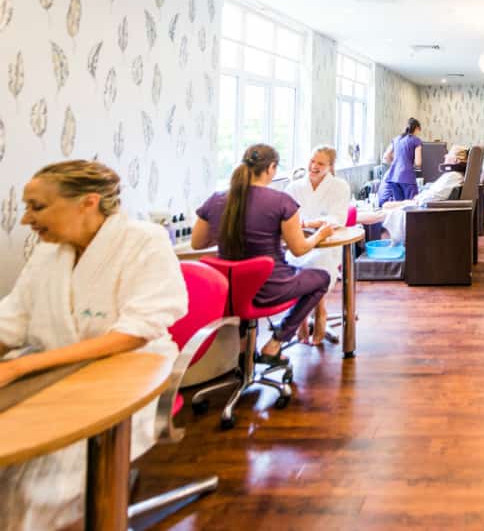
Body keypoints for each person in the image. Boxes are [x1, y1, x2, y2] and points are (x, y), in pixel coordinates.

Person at [0, 160, 187, 531]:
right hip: (51, 373)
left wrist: (20, 367)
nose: (26, 221)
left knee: (39, 490)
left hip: (129, 376)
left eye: (38, 207)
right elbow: (12, 320)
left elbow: (134, 332)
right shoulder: (47, 253)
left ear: (88, 202)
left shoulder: (144, 241)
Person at [192, 144, 334, 362]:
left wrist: (228, 229)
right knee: (321, 278)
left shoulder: (215, 200)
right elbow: (299, 248)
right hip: (270, 289)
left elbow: (197, 243)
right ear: (271, 168)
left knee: (253, 277)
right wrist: (320, 235)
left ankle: (242, 351)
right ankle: (277, 340)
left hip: (228, 290)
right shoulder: (281, 203)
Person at [285, 145, 351, 345]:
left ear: (330, 167)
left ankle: (318, 310)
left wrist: (308, 224)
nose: (314, 166)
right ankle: (303, 314)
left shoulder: (340, 186)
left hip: (328, 245)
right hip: (299, 242)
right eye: (312, 161)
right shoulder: (294, 187)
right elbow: (286, 217)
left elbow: (337, 218)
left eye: (320, 163)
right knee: (297, 263)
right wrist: (305, 226)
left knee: (318, 262)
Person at [380, 145, 468, 244]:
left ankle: (386, 250)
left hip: (424, 209)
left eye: (449, 154)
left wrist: (416, 199)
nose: (445, 156)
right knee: (385, 207)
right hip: (422, 204)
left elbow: (432, 197)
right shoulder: (453, 175)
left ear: (456, 160)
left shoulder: (453, 176)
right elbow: (434, 193)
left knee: (383, 212)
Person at [379, 118, 423, 205]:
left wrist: (395, 163)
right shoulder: (416, 141)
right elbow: (418, 163)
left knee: (399, 206)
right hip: (407, 177)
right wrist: (410, 165)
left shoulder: (396, 139)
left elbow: (386, 156)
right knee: (413, 205)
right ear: (417, 128)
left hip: (394, 177)